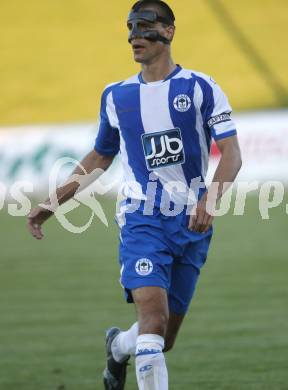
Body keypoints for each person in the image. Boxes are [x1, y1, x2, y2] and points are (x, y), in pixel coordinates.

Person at [27, 0, 242, 389]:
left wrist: (209, 199)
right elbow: (99, 157)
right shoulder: (117, 96)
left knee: (162, 339)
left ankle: (117, 347)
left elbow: (231, 153)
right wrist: (51, 203)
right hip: (142, 219)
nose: (134, 35)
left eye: (145, 25)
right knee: (153, 324)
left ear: (168, 31)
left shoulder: (200, 87)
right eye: (130, 27)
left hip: (192, 224)